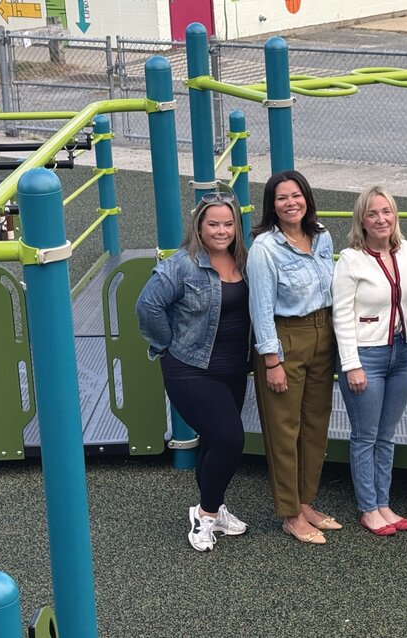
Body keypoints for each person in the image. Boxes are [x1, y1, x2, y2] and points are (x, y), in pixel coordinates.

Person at [136, 191, 250, 552]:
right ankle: (205, 513)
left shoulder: (243, 261)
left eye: (228, 223)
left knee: (217, 440)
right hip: (191, 368)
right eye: (213, 224)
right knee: (231, 440)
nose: (221, 231)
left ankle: (214, 507)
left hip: (233, 368)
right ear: (199, 227)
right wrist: (168, 344)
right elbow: (148, 305)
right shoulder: (181, 265)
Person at [247, 169, 340, 545]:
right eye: (282, 197)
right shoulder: (265, 249)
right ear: (272, 204)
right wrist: (272, 361)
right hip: (286, 337)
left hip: (324, 333)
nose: (291, 203)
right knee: (285, 431)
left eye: (296, 195)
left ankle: (305, 503)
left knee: (316, 425)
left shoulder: (321, 237)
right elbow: (261, 307)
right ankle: (289, 513)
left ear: (307, 198)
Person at [332, 186, 407, 536]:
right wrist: (351, 364)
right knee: (365, 436)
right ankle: (368, 508)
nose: (380, 219)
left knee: (387, 435)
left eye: (386, 211)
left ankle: (384, 503)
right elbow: (341, 315)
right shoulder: (350, 259)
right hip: (366, 357)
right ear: (362, 220)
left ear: (395, 215)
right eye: (372, 213)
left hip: (404, 352)